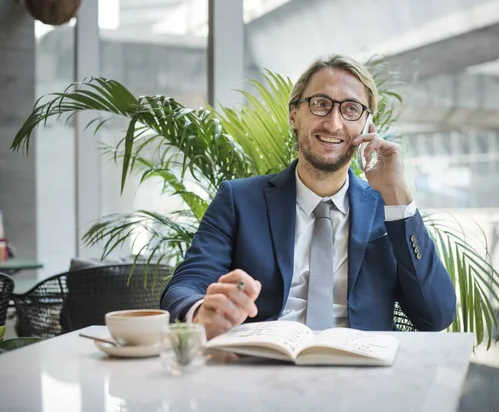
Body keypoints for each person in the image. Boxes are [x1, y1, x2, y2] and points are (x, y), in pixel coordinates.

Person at [160, 54, 456, 340]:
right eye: (320, 104)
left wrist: (397, 195)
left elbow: (436, 315)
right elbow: (185, 286)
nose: (334, 123)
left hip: (362, 372)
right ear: (294, 115)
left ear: (367, 125)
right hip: (264, 367)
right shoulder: (238, 200)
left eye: (351, 109)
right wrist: (201, 312)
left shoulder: (389, 208)